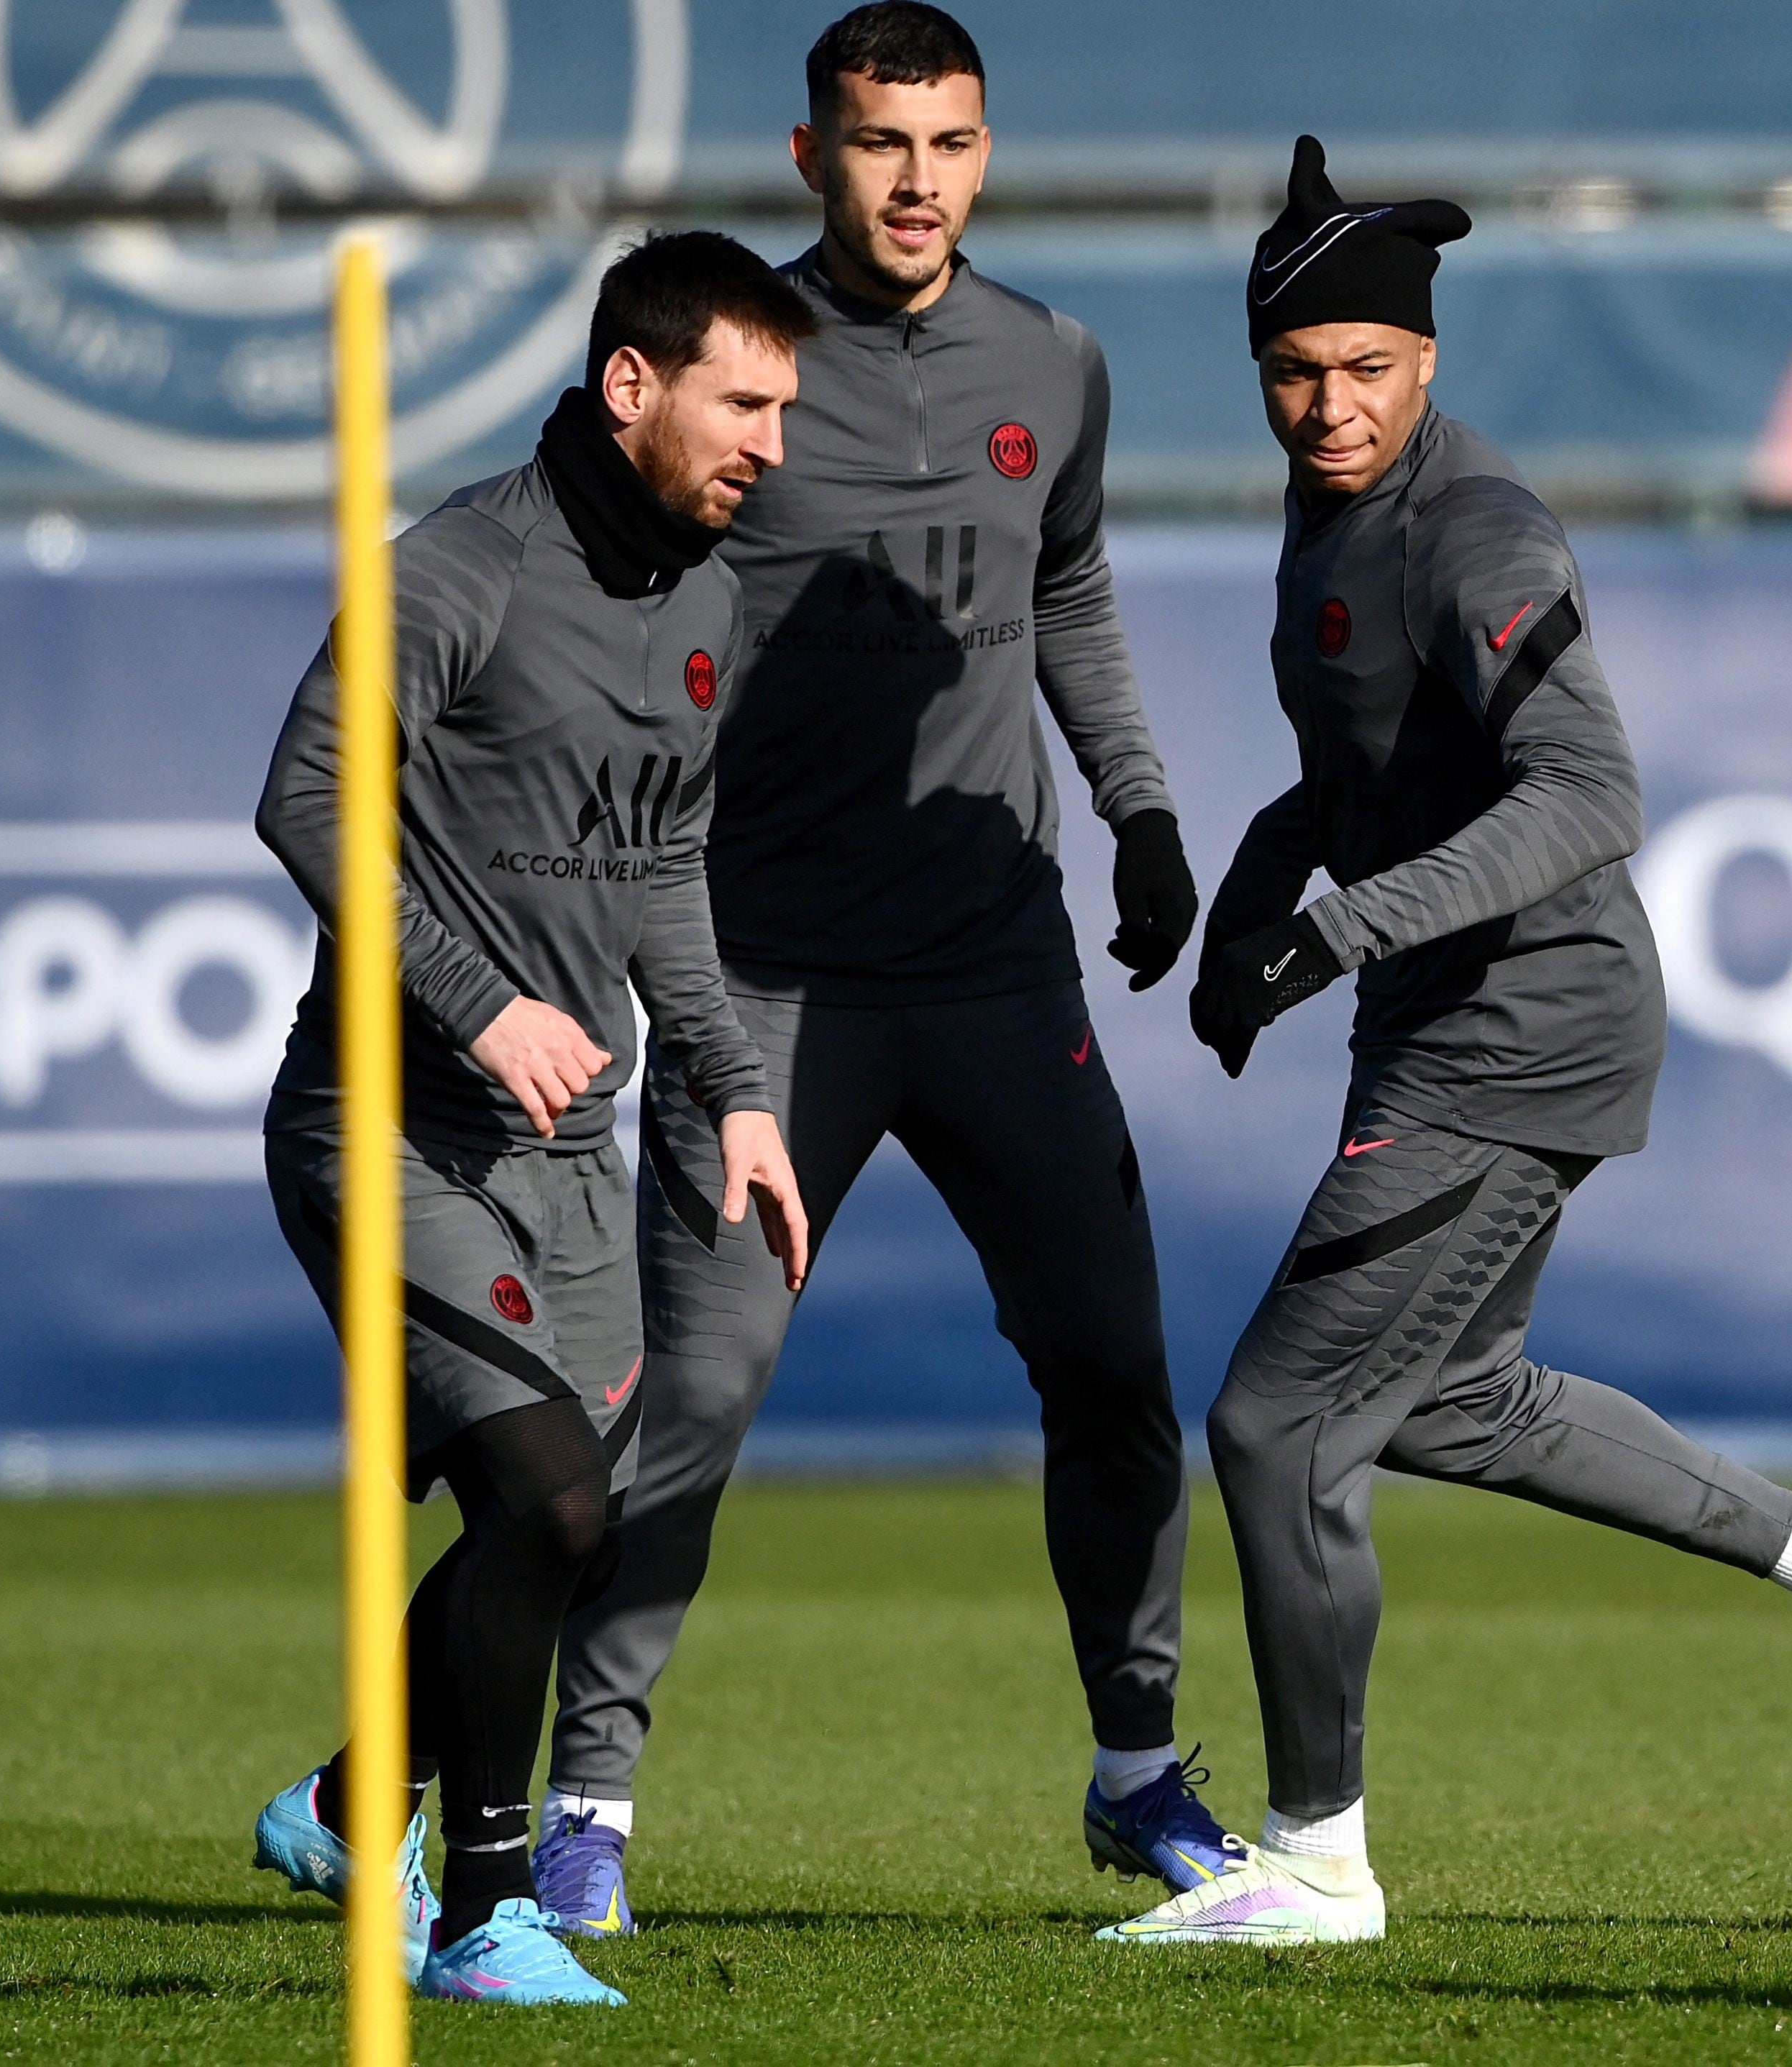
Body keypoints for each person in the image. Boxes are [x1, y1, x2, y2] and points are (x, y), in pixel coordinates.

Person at [1099, 140, 1792, 1948]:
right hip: (1442, 1022)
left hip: (1517, 1031)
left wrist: (1344, 922)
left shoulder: (1476, 530)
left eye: (1367, 368)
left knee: (1277, 1432)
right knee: (1453, 1404)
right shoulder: (1326, 509)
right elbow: (1354, 774)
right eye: (1295, 370)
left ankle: (1314, 1864)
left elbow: (1590, 791)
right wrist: (1251, 908)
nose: (1329, 403)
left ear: (1427, 362)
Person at [536, 4, 1235, 1938]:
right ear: (808, 157)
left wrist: (1146, 815)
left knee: (1115, 1375)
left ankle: (1138, 1774)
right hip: (759, 980)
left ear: (986, 154)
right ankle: (587, 1800)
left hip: (999, 971)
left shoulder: (1054, 364)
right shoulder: (728, 370)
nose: (914, 178)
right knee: (699, 1397)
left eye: (947, 141)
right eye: (876, 142)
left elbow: (1068, 589)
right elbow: (593, 614)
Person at [247, 232, 818, 2006]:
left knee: (556, 1528)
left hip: (575, 1161)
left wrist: (732, 1094)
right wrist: (479, 1004)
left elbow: (660, 867)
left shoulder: (710, 599)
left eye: (786, 411)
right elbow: (301, 793)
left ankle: (349, 1807)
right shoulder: (468, 564)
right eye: (743, 403)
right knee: (555, 1502)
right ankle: (487, 1912)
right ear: (631, 384)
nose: (769, 446)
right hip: (389, 1125)